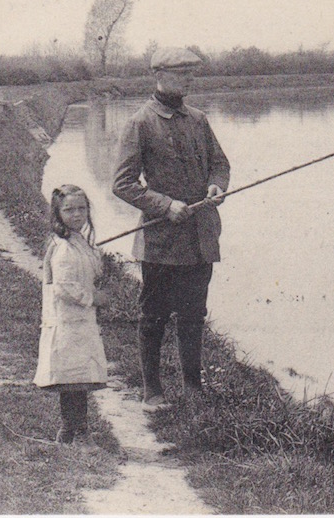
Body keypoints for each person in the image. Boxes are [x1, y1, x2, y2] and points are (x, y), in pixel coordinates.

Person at [112, 46, 230, 409]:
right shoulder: (140, 123)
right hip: (161, 239)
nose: (189, 80)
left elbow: (220, 164)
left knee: (194, 314)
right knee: (154, 315)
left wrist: (216, 186)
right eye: (182, 74)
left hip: (200, 237)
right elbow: (123, 183)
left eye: (191, 74)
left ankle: (193, 389)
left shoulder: (199, 119)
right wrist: (166, 205)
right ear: (159, 76)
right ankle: (152, 390)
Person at [32, 184, 109, 446]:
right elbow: (65, 287)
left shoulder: (76, 241)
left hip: (79, 323)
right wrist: (92, 297)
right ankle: (71, 431)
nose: (77, 215)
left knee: (78, 380)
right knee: (71, 381)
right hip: (68, 322)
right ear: (58, 214)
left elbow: (90, 270)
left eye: (82, 209)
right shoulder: (63, 247)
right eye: (69, 210)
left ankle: (78, 430)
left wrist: (95, 257)